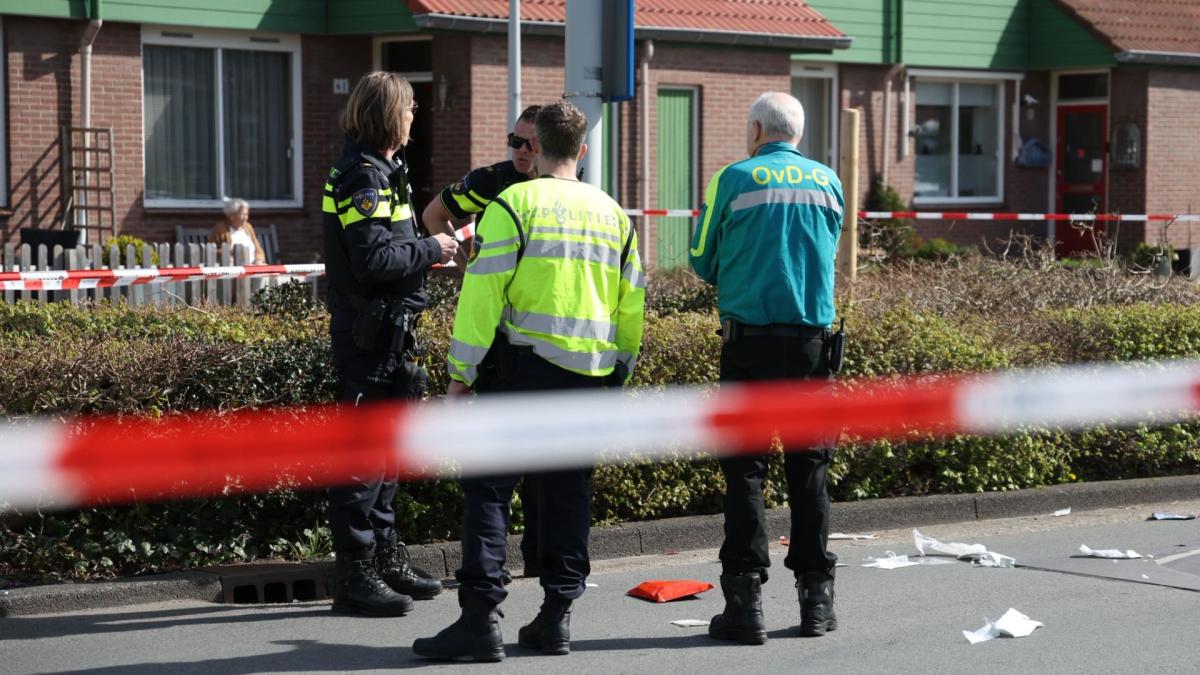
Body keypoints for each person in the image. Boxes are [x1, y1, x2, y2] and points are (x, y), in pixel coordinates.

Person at [412, 100, 645, 662]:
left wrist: (460, 377)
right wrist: (620, 370)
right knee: (569, 497)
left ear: (536, 146)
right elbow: (632, 303)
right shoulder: (615, 215)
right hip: (588, 377)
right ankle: (556, 618)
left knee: (489, 492)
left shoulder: (512, 206)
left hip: (520, 373)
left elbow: (481, 299)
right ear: (582, 151)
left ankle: (479, 621)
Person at [689, 91, 844, 644]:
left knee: (745, 473)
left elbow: (701, 259)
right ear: (797, 132)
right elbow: (825, 253)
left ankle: (745, 603)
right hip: (811, 350)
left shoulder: (733, 178)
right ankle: (816, 602)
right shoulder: (829, 181)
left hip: (748, 346)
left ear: (756, 129)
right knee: (810, 472)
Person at [321, 71, 459, 617]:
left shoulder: (384, 170)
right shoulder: (363, 177)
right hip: (369, 339)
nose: (413, 116)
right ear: (386, 114)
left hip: (390, 336)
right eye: (408, 108)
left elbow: (390, 248)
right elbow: (373, 260)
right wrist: (432, 248)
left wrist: (428, 250)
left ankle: (384, 559)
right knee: (361, 461)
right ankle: (355, 575)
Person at [422, 103, 545, 580]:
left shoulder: (566, 188)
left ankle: (540, 561)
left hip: (545, 341)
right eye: (514, 141)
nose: (520, 151)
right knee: (495, 467)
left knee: (545, 465)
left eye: (530, 143)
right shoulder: (492, 181)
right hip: (499, 341)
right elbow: (433, 215)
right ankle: (489, 571)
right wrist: (467, 262)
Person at [210, 198, 266, 264]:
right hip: (233, 267)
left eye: (246, 214)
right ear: (232, 216)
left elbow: (258, 249)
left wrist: (259, 260)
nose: (246, 218)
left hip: (253, 265)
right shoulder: (221, 228)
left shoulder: (248, 227)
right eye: (243, 214)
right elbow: (211, 251)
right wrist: (228, 254)